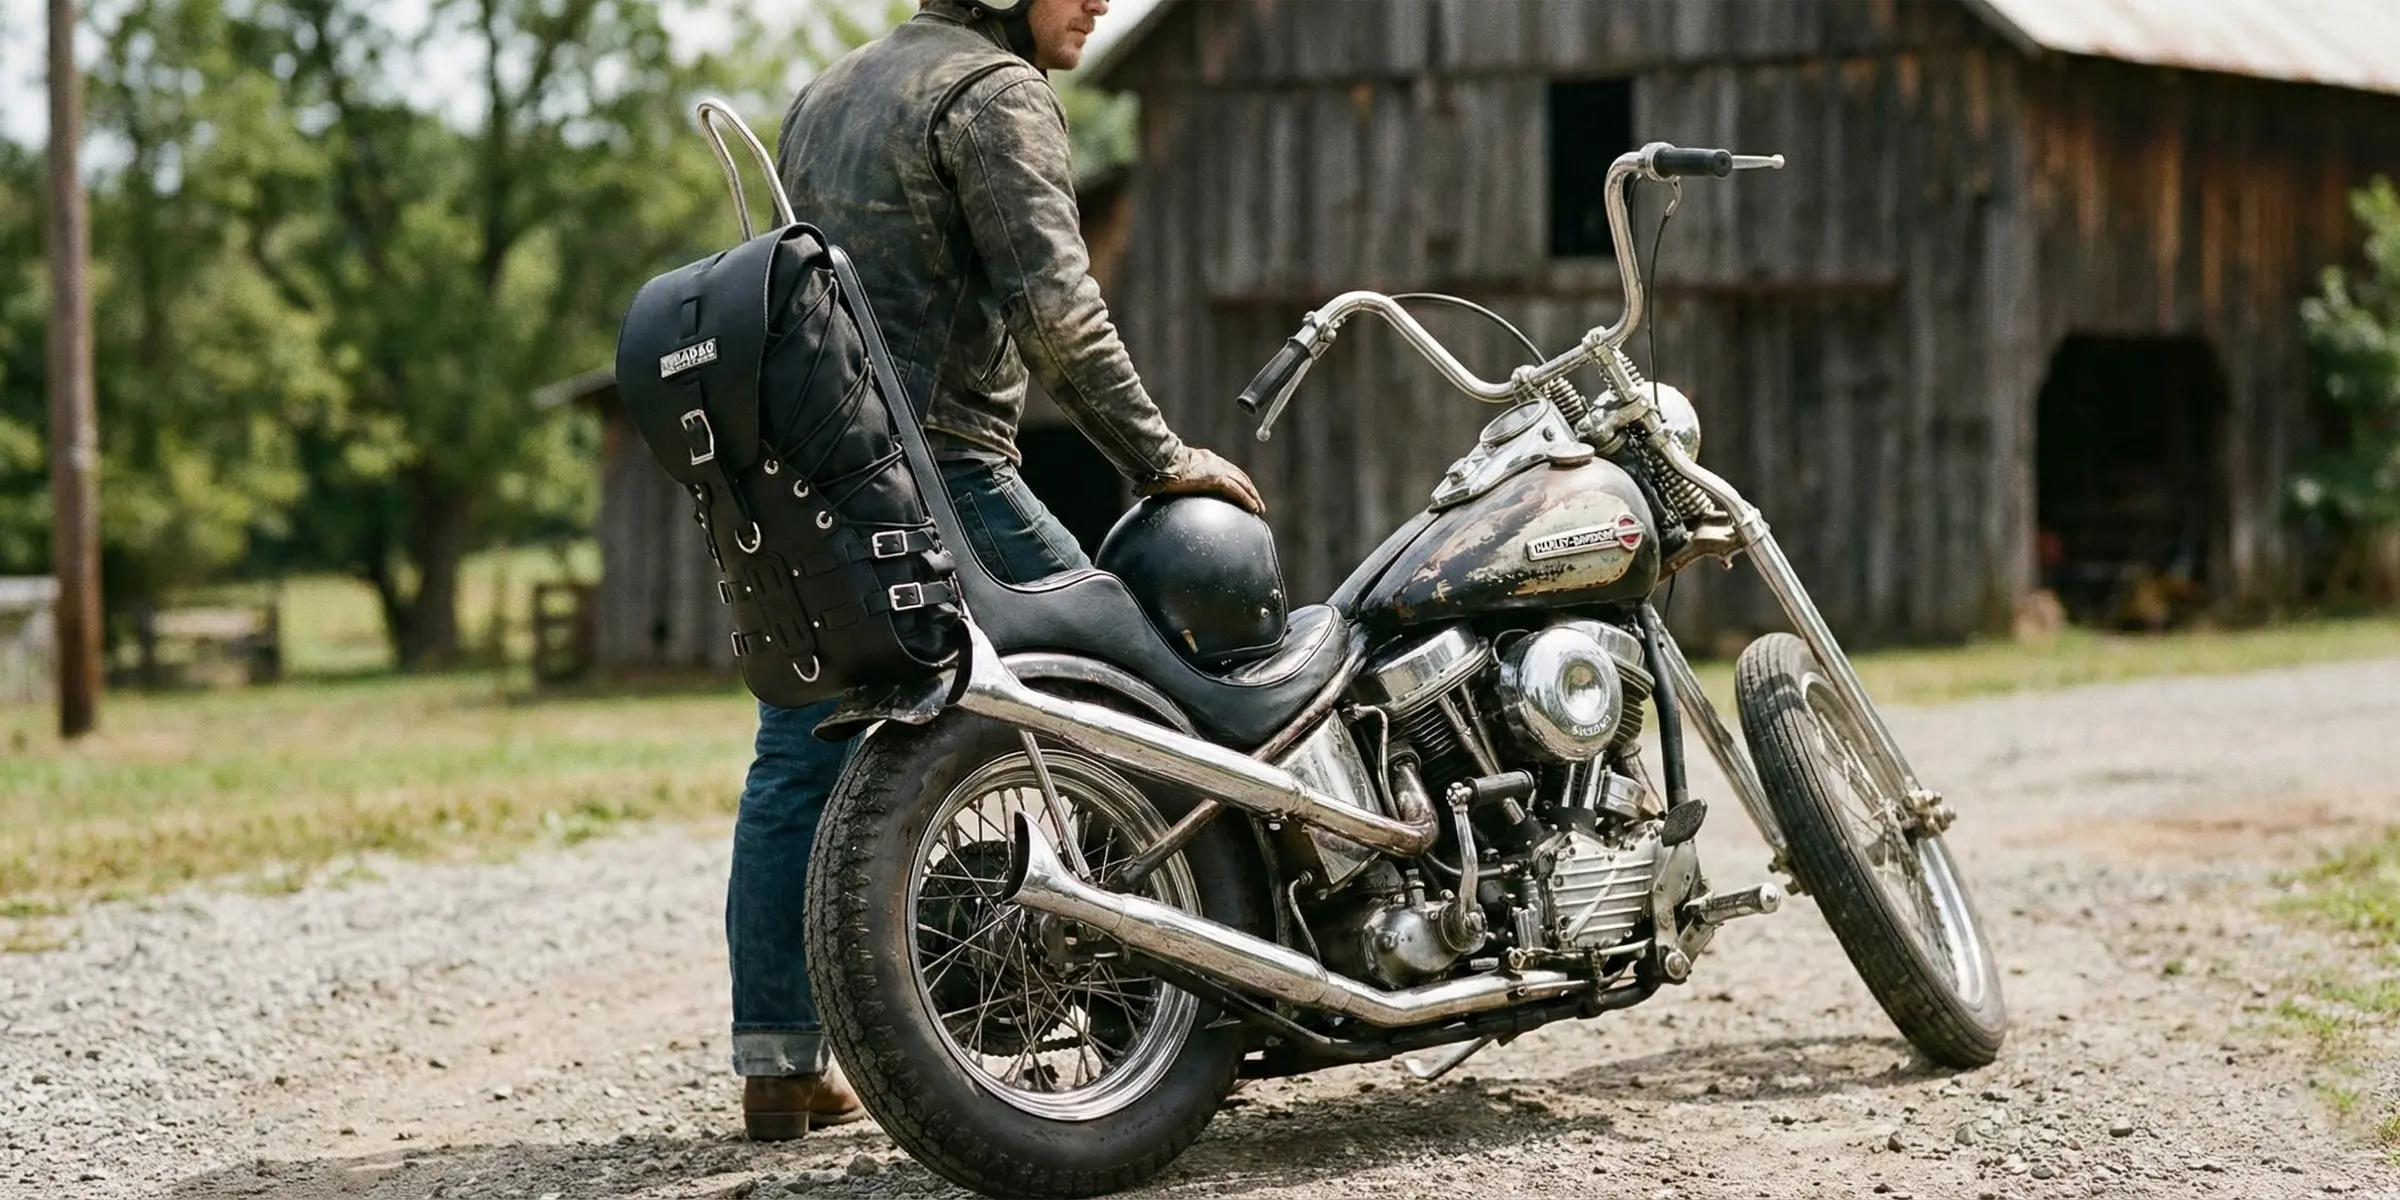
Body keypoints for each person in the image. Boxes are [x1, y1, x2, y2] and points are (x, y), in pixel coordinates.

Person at [728, 0, 1265, 1140]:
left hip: (816, 477)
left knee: (797, 757)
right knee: (1140, 707)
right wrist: (1163, 461)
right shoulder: (994, 93)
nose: (1102, 2)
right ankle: (1160, 1027)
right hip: (945, 471)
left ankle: (778, 1063)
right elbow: (1056, 313)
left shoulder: (825, 94)